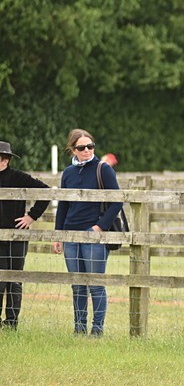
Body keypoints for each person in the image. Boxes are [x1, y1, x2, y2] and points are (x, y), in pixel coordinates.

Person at [52, 129, 121, 336]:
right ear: (73, 149)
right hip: (71, 234)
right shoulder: (68, 173)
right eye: (82, 147)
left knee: (96, 284)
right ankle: (79, 328)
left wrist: (99, 227)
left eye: (90, 146)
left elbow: (117, 201)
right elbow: (63, 205)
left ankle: (97, 329)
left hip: (93, 235)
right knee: (78, 285)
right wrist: (59, 234)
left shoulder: (103, 169)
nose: (87, 151)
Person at [0, 141, 51, 330]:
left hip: (16, 236)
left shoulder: (18, 177)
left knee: (14, 280)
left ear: (5, 160)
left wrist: (31, 216)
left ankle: (11, 322)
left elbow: (45, 190)